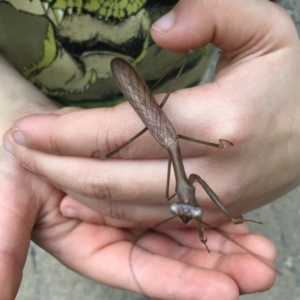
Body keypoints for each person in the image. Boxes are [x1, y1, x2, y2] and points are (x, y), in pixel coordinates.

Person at [1, 0, 300, 299]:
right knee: (141, 137)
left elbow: (186, 190)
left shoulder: (183, 181)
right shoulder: (182, 177)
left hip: (145, 100)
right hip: (122, 88)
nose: (187, 195)